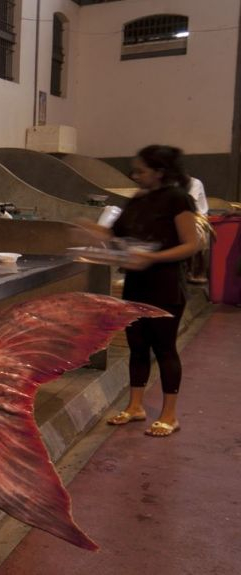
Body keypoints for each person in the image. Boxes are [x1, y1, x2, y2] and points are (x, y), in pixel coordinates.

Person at [98, 145, 200, 437]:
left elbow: (191, 244)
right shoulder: (139, 199)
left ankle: (170, 415)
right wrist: (93, 234)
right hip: (136, 282)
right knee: (137, 345)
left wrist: (152, 257)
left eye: (141, 170)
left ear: (160, 172)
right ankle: (135, 407)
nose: (135, 175)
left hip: (165, 284)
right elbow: (114, 234)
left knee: (164, 348)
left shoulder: (177, 199)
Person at [186, 176, 210, 284]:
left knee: (197, 232)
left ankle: (199, 271)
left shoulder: (195, 183)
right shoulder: (174, 184)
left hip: (198, 217)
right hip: (186, 215)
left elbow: (189, 202)